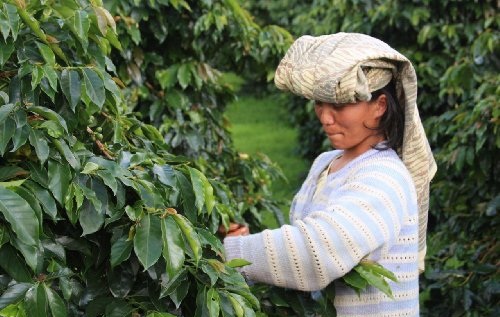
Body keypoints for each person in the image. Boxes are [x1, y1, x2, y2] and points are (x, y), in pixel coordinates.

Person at [223, 33, 437, 316]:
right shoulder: (326, 162)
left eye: (338, 105)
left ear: (379, 107)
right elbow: (304, 242)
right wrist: (248, 245)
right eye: (319, 103)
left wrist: (230, 252)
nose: (325, 117)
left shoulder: (385, 178)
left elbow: (317, 252)